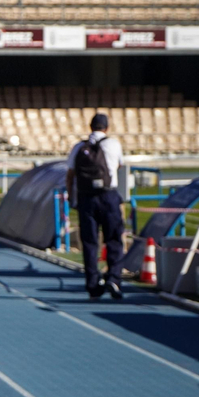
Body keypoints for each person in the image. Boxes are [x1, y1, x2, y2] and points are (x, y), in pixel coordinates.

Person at [67, 113, 125, 300]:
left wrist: (72, 198)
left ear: (90, 126)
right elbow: (118, 167)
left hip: (86, 199)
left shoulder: (78, 147)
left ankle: (93, 284)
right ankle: (114, 278)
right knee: (114, 238)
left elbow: (70, 175)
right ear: (106, 128)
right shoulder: (113, 144)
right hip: (108, 196)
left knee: (90, 242)